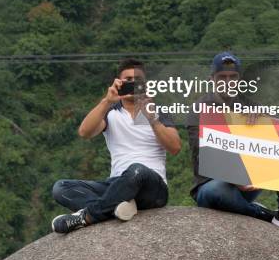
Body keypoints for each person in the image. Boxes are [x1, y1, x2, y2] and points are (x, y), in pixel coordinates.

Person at [51, 58, 181, 233]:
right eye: (127, 80)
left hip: (151, 187)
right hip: (118, 183)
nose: (132, 83)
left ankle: (88, 216)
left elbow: (174, 147)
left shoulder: (158, 111)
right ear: (118, 83)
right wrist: (107, 101)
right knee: (61, 187)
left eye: (137, 80)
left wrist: (151, 118)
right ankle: (117, 207)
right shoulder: (111, 112)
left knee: (137, 170)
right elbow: (85, 132)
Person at [186, 51, 279, 237]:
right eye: (222, 77)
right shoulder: (199, 109)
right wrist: (234, 177)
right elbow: (202, 153)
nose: (228, 81)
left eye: (233, 77)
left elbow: (267, 146)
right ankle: (263, 214)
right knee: (216, 191)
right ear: (212, 79)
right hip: (212, 186)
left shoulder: (249, 106)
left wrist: (263, 121)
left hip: (247, 184)